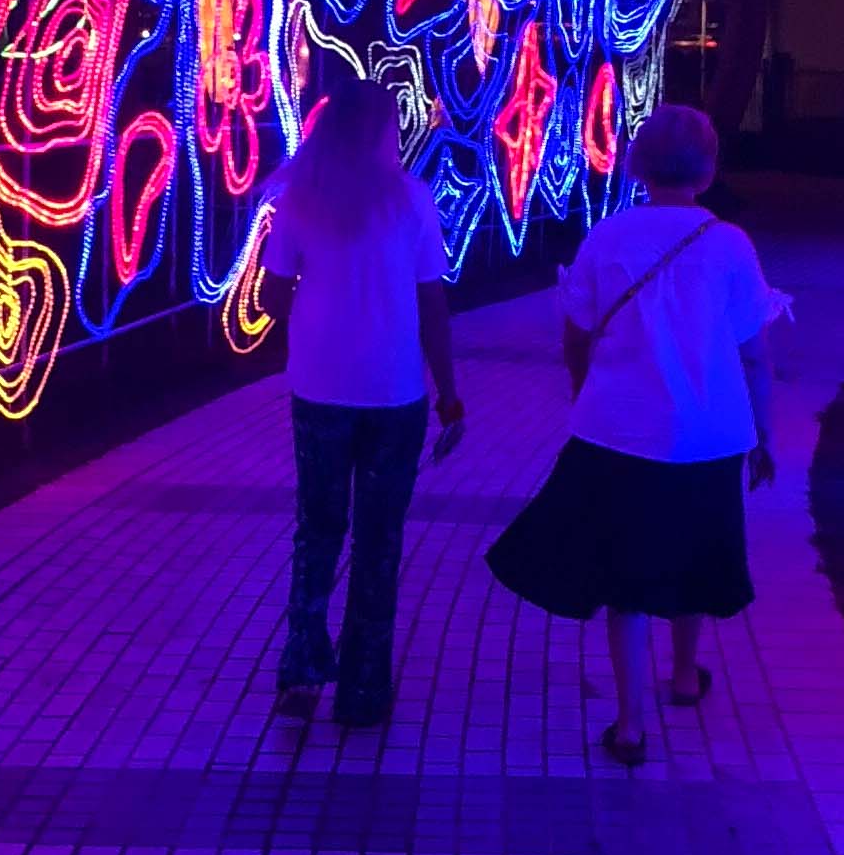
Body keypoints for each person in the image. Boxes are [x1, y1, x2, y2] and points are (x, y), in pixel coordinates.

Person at [486, 102, 784, 763]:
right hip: (708, 433)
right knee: (695, 554)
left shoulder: (608, 236)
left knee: (627, 574)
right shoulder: (729, 245)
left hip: (619, 431)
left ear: (640, 164)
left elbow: (576, 334)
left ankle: (629, 724)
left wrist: (585, 392)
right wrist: (763, 434)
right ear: (707, 169)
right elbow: (754, 355)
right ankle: (685, 675)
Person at [258, 75, 464, 729]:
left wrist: (316, 301)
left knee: (317, 527)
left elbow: (270, 296)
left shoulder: (300, 198)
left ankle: (300, 673)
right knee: (380, 537)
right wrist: (450, 394)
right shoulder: (412, 200)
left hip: (319, 384)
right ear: (383, 131)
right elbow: (432, 303)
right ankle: (364, 688)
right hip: (396, 390)